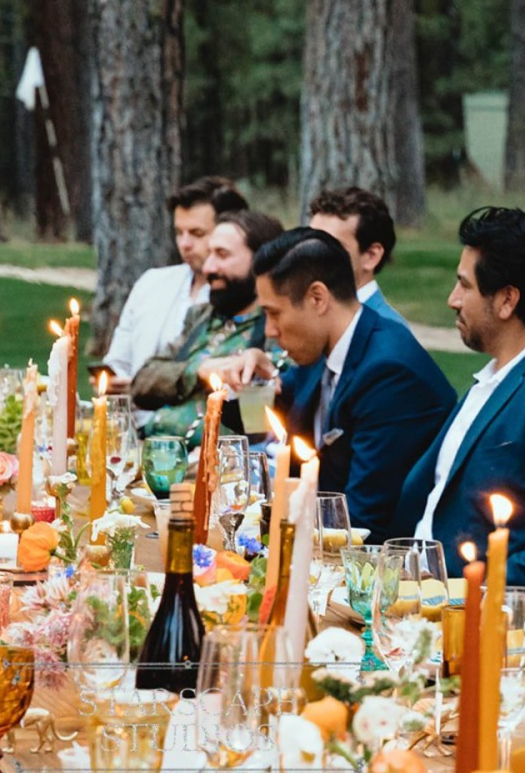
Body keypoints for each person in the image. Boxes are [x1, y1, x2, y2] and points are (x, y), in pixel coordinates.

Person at [393, 207, 525, 631]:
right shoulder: (493, 380)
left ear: (507, 299)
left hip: (485, 624)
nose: (452, 299)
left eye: (464, 285)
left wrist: (488, 592)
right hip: (420, 606)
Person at [212, 229, 454, 542]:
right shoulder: (320, 349)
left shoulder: (389, 373)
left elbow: (364, 518)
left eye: (274, 313)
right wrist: (240, 381)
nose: (269, 331)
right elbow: (260, 422)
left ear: (317, 298)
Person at [132, 209, 284, 444]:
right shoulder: (203, 317)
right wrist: (200, 370)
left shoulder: (274, 329)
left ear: (261, 262)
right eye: (209, 254)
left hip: (213, 468)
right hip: (152, 448)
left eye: (222, 255)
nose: (208, 268)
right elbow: (142, 382)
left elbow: (261, 423)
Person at [103, 176, 249, 390]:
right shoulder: (152, 283)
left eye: (197, 233)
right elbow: (117, 361)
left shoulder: (236, 296)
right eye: (179, 233)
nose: (185, 244)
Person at [308, 186, 406, 327]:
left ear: (371, 256)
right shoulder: (307, 314)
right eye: (308, 241)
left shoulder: (387, 331)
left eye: (330, 245)